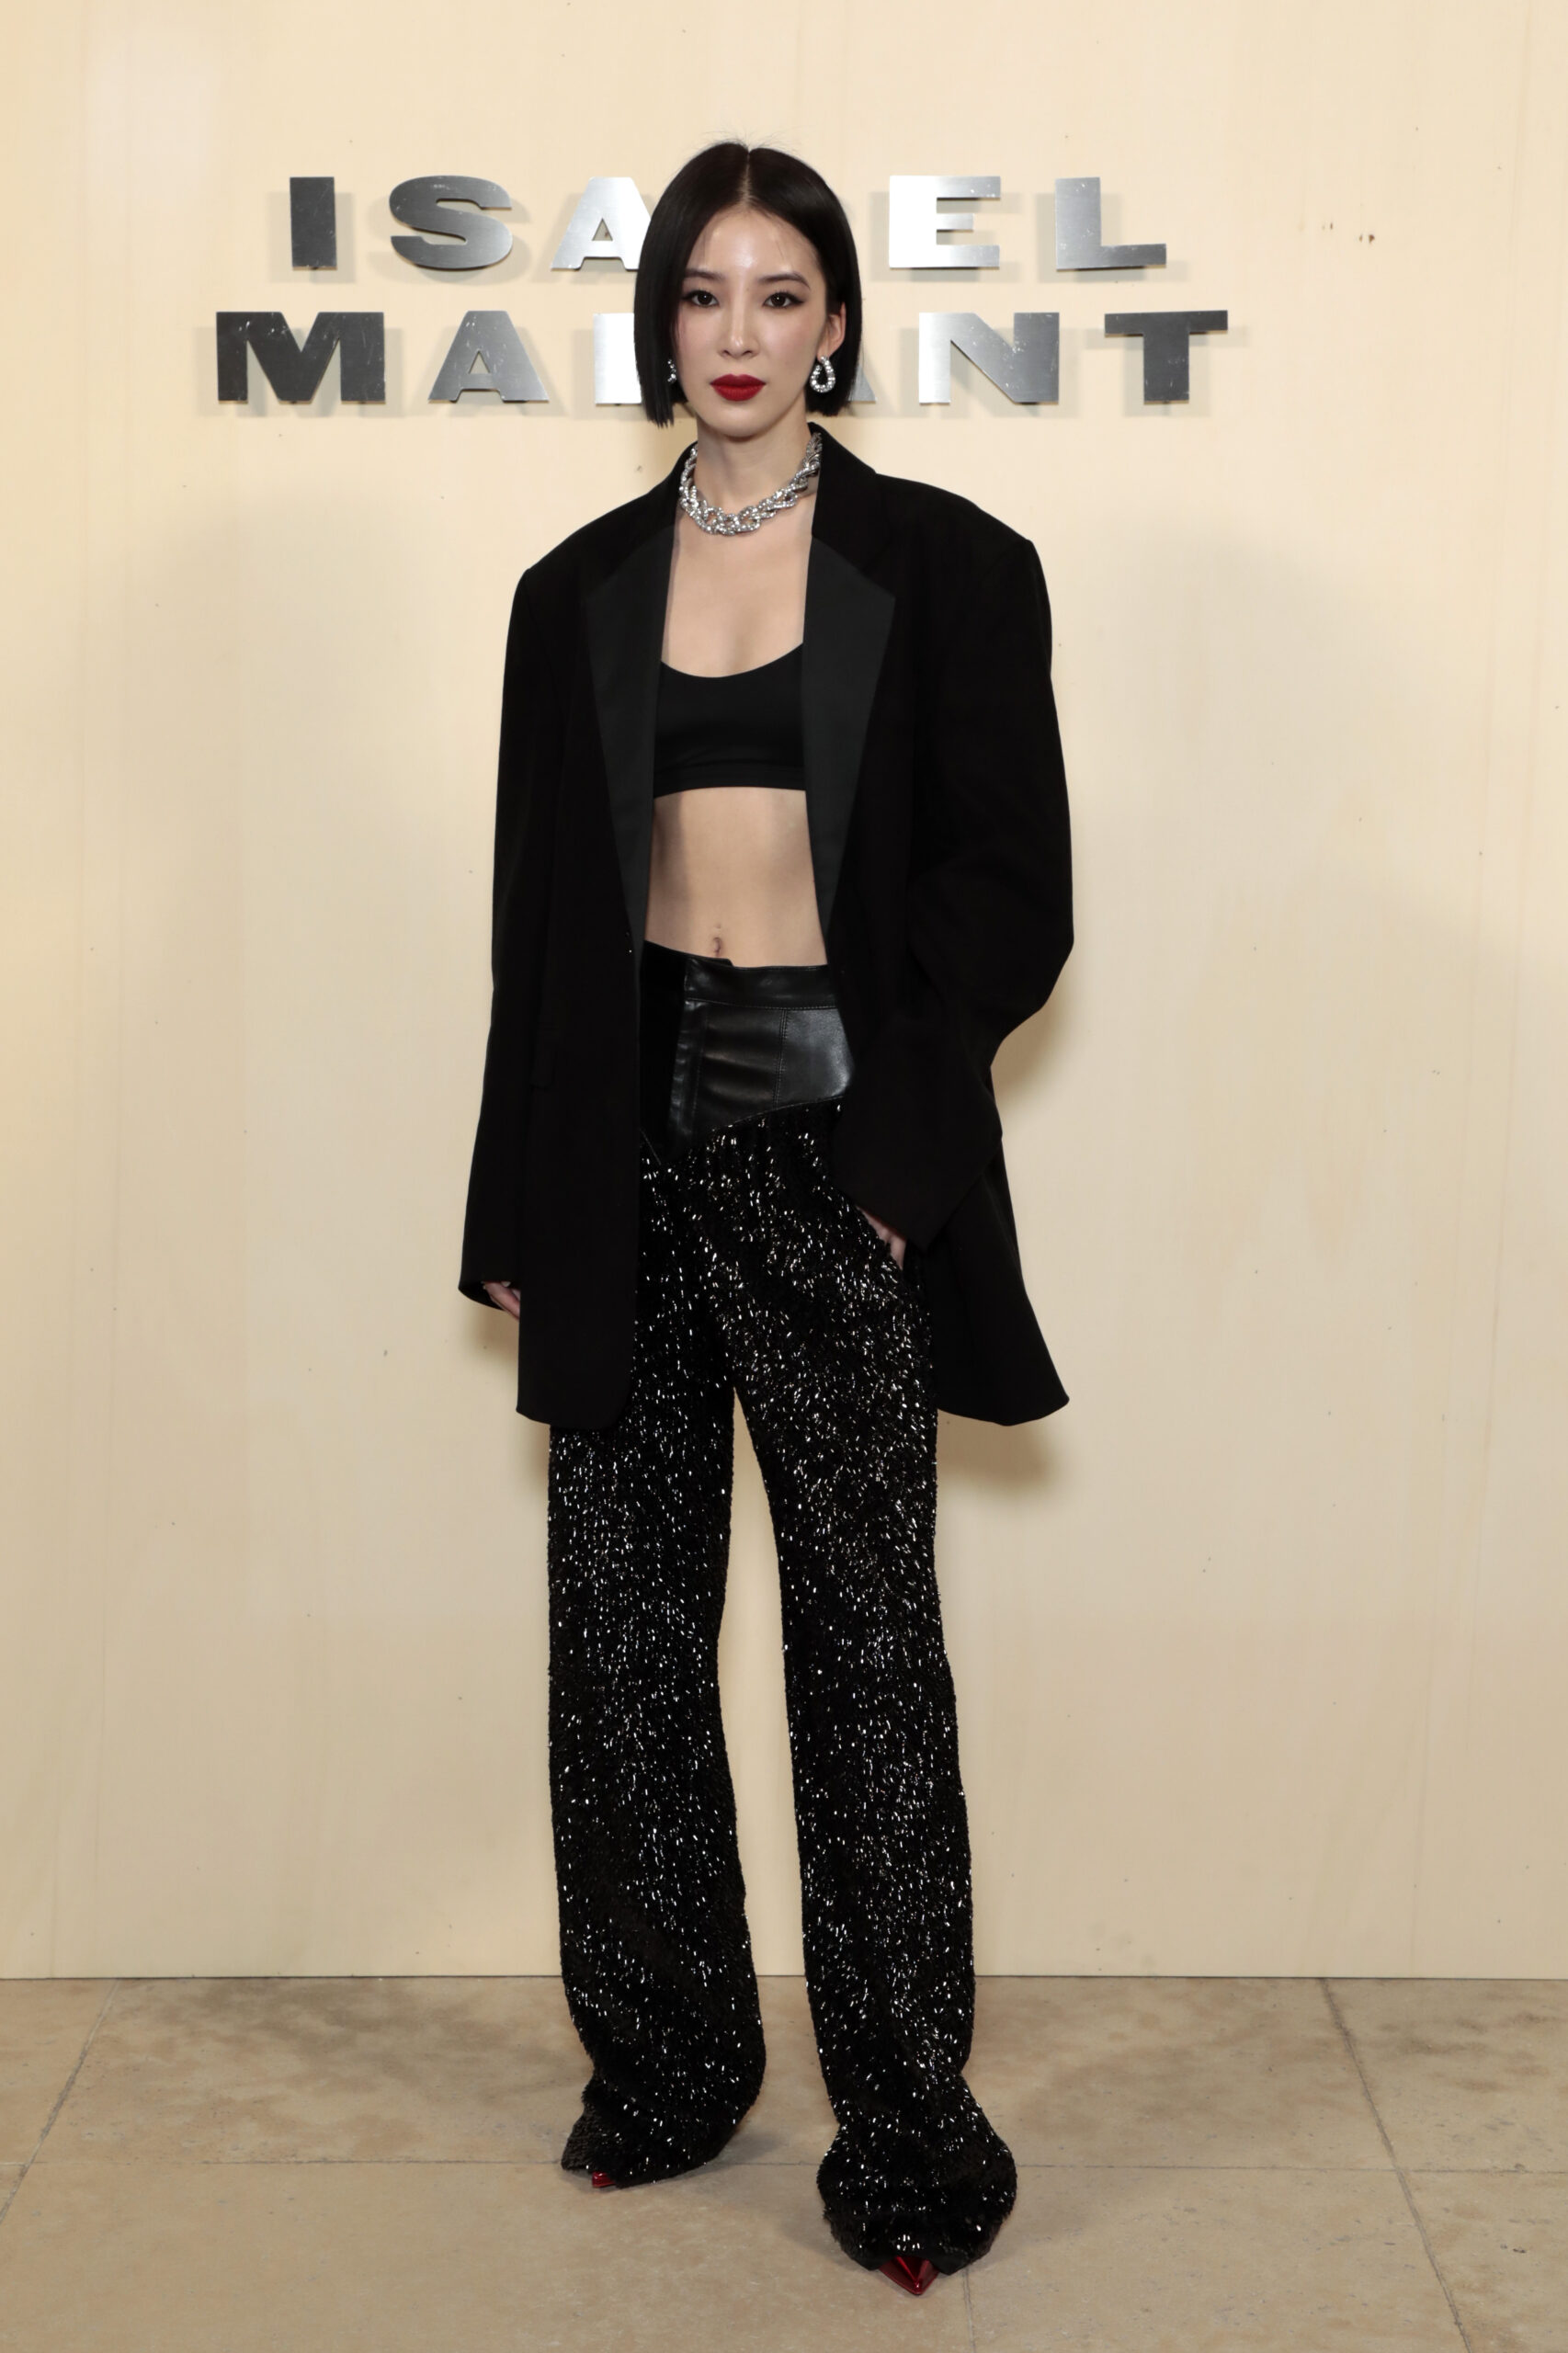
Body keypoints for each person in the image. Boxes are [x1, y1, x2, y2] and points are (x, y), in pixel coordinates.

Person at [460, 140, 1072, 2296]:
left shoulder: (953, 566)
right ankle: (668, 2064)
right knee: (621, 1649)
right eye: (703, 294)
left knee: (865, 1657)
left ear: (832, 322)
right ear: (661, 323)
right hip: (617, 1142)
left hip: (836, 1145)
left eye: (779, 293)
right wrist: (516, 1196)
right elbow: (542, 931)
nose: (737, 333)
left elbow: (1009, 891)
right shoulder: (571, 590)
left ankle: (907, 2135)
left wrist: (895, 1176)